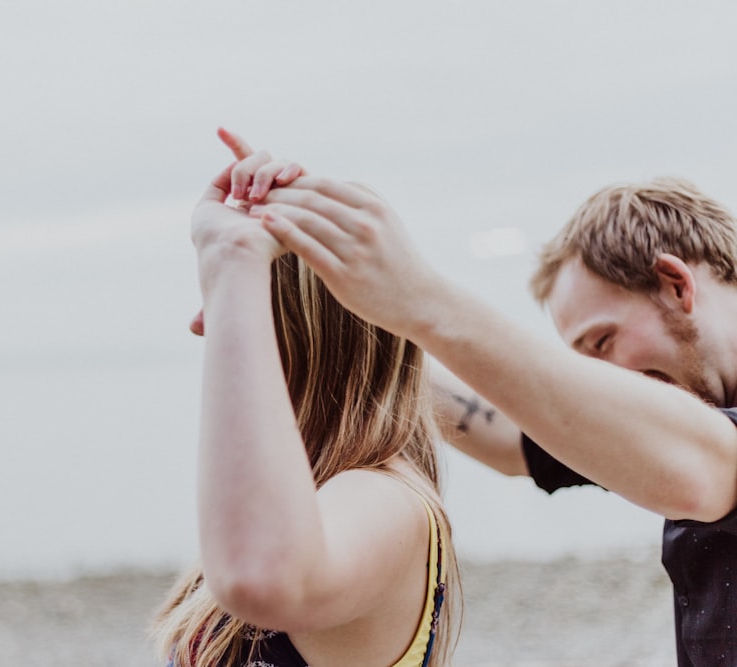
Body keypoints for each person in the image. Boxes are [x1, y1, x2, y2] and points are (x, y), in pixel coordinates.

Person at [228, 135, 737, 667]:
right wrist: (341, 341)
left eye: (601, 342)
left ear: (677, 284)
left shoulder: (692, 450)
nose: (596, 378)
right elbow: (509, 438)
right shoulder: (664, 418)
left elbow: (702, 469)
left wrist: (415, 299)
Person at [151, 146, 460, 667]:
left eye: (234, 300)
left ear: (296, 327)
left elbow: (264, 573)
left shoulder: (384, 496)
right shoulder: (325, 490)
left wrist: (231, 259)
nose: (203, 324)